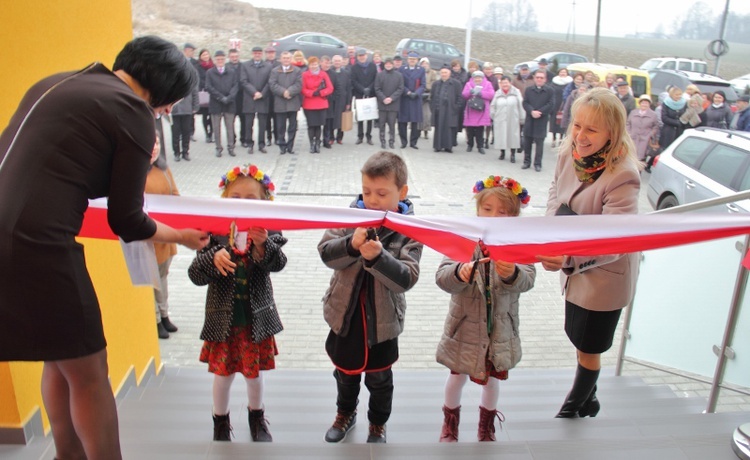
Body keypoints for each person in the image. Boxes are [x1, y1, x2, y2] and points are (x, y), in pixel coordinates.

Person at [0, 35, 207, 460]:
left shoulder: (57, 82)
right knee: (91, 372)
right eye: (172, 102)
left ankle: (67, 455)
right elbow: (127, 221)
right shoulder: (131, 109)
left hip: (11, 235)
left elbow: (63, 169)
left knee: (60, 357)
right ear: (163, 87)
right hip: (35, 245)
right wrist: (183, 236)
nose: (168, 112)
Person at [537, 88, 640, 420]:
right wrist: (555, 232)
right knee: (575, 334)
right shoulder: (569, 153)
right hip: (576, 262)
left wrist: (567, 257)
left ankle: (572, 406)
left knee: (590, 346)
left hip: (604, 274)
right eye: (577, 125)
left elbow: (613, 241)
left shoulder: (623, 175)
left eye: (591, 130)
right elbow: (556, 191)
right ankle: (590, 399)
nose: (580, 136)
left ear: (612, 132)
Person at [318, 151, 423, 444]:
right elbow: (326, 253)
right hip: (345, 315)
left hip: (383, 321)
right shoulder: (350, 216)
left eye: (381, 193)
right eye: (366, 191)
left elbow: (406, 279)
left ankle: (377, 423)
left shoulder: (410, 230)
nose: (372, 200)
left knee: (379, 379)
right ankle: (345, 413)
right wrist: (351, 245)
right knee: (345, 374)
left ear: (401, 192)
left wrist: (379, 258)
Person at [188, 164, 286, 443]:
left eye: (251, 199)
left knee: (254, 377)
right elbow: (195, 274)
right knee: (223, 376)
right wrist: (212, 258)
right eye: (236, 198)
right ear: (224, 200)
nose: (242, 204)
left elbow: (278, 263)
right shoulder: (213, 232)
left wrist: (263, 246)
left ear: (264, 203)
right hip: (225, 323)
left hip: (255, 321)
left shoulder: (268, 230)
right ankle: (220, 421)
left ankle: (257, 417)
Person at [436, 176, 536, 443]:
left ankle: (486, 426)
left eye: (503, 212)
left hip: (499, 330)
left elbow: (528, 280)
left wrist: (512, 273)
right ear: (478, 209)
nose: (493, 216)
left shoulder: (519, 245)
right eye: (487, 209)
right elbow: (443, 277)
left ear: (514, 216)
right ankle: (450, 424)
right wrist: (460, 272)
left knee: (492, 381)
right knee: (456, 378)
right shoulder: (463, 239)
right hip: (465, 328)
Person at [146, 119, 180, 339]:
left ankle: (165, 314)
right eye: (151, 144)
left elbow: (175, 195)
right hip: (149, 236)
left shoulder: (164, 170)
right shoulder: (135, 173)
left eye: (157, 142)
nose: (155, 147)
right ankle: (155, 319)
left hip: (166, 235)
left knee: (163, 277)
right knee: (152, 280)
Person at [240, 46, 273, 154]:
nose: (257, 55)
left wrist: (262, 94)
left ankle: (261, 144)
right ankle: (249, 144)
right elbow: (244, 81)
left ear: (262, 54)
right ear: (252, 54)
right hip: (250, 98)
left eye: (259, 53)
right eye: (255, 53)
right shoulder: (245, 65)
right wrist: (254, 92)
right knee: (249, 124)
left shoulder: (268, 66)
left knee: (262, 124)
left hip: (263, 99)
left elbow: (270, 82)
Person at [206, 50, 239, 157]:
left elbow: (236, 86)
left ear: (225, 60)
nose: (220, 61)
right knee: (216, 128)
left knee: (230, 127)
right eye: (218, 59)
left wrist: (229, 98)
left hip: (229, 104)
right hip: (216, 104)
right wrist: (220, 97)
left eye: (222, 59)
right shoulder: (210, 72)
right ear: (215, 60)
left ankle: (231, 147)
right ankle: (218, 148)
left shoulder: (232, 71)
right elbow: (208, 87)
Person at [269, 51, 303, 154]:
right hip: (280, 102)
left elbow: (299, 84)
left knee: (292, 126)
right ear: (281, 59)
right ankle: (282, 146)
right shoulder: (275, 71)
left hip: (292, 102)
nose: (286, 60)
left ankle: (290, 146)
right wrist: (283, 92)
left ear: (291, 59)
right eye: (284, 58)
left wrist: (289, 92)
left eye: (288, 58)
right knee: (280, 127)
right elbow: (272, 84)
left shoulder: (297, 71)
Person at [522, 70, 554, 171]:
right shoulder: (528, 90)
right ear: (534, 78)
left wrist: (540, 112)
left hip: (542, 120)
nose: (539, 79)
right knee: (527, 142)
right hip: (530, 119)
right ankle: (526, 162)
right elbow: (525, 103)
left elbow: (551, 104)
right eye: (537, 77)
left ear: (545, 79)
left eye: (541, 78)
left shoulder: (550, 90)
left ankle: (537, 163)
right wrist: (531, 111)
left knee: (539, 144)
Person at [301, 56, 334, 153]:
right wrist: (311, 93)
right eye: (312, 64)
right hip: (309, 103)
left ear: (318, 64)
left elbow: (330, 88)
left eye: (315, 64)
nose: (313, 66)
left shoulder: (323, 74)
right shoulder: (304, 75)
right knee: (311, 125)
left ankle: (317, 144)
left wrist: (321, 93)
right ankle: (312, 144)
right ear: (309, 65)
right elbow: (302, 88)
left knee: (319, 125)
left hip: (321, 103)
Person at [491, 76, 525, 162]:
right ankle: (502, 153)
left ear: (510, 83)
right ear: (500, 84)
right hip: (500, 117)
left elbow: (521, 105)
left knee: (513, 136)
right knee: (501, 136)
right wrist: (493, 116)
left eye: (506, 82)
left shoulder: (516, 92)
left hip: (513, 117)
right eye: (503, 83)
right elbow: (492, 105)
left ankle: (512, 154)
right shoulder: (498, 93)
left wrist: (522, 117)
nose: (505, 84)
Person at [431, 65, 463, 153]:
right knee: (439, 128)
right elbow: (432, 96)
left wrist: (456, 108)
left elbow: (460, 97)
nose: (443, 74)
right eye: (442, 73)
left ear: (449, 73)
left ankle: (448, 147)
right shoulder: (436, 84)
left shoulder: (456, 84)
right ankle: (438, 146)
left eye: (445, 72)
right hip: (438, 109)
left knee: (449, 129)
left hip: (450, 110)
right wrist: (433, 107)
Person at [398, 52, 426, 149]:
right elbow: (400, 83)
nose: (412, 61)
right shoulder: (402, 69)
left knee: (415, 121)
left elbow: (423, 84)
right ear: (407, 60)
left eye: (414, 59)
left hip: (416, 99)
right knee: (402, 122)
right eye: (410, 59)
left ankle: (413, 142)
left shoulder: (421, 70)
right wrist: (408, 92)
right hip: (405, 98)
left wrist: (417, 93)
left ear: (417, 60)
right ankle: (403, 141)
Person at [374, 56, 404, 149]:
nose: (388, 65)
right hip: (382, 104)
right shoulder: (379, 75)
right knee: (381, 124)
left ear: (393, 65)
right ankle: (382, 141)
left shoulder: (399, 75)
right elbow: (377, 88)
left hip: (393, 104)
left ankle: (391, 141)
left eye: (390, 64)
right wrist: (383, 98)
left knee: (392, 124)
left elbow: (400, 89)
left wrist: (391, 98)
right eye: (386, 64)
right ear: (384, 65)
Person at [462, 70, 495, 154]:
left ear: (482, 78)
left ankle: (480, 146)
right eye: (476, 78)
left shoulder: (488, 84)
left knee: (480, 129)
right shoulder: (468, 84)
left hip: (481, 110)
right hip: (471, 109)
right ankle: (470, 145)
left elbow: (491, 94)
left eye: (479, 77)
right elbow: (464, 95)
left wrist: (481, 93)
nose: (477, 79)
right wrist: (470, 92)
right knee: (470, 130)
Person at [350, 49, 378, 145]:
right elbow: (353, 81)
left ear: (366, 56)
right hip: (359, 93)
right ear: (358, 57)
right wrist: (362, 89)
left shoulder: (372, 66)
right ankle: (360, 136)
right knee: (360, 116)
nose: (362, 57)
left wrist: (369, 88)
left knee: (370, 116)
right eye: (360, 56)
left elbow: (375, 79)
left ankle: (369, 136)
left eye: (363, 55)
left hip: (371, 93)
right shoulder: (354, 67)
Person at [170, 72, 200, 162]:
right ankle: (176, 153)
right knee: (175, 133)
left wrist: (195, 107)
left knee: (186, 133)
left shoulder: (190, 81)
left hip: (187, 111)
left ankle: (185, 152)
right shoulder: (170, 82)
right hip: (174, 111)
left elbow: (195, 94)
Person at [324, 55, 352, 147]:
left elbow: (349, 89)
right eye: (335, 61)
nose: (337, 62)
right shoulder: (329, 72)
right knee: (331, 119)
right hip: (331, 99)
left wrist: (348, 102)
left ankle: (339, 137)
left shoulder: (346, 73)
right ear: (332, 62)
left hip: (342, 99)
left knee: (341, 119)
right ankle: (331, 137)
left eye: (339, 61)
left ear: (342, 62)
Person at [626, 94, 660, 163]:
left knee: (640, 160)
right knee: (629, 158)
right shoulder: (633, 112)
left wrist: (650, 134)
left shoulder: (653, 115)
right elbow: (628, 123)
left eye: (646, 103)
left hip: (645, 141)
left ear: (649, 104)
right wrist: (628, 133)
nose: (644, 104)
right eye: (643, 102)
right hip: (632, 138)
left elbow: (656, 126)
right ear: (640, 103)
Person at [659, 86, 687, 151]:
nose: (678, 96)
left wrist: (683, 123)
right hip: (668, 131)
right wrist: (676, 122)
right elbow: (664, 118)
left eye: (680, 94)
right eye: (676, 94)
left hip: (679, 131)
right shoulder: (666, 103)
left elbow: (686, 115)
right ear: (672, 95)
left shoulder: (684, 103)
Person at [228, 48, 246, 147]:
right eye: (232, 57)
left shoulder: (243, 66)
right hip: (230, 98)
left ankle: (243, 139)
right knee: (230, 121)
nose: (234, 58)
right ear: (229, 57)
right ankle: (232, 140)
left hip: (242, 97)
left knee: (243, 120)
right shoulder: (226, 67)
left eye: (236, 56)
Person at [550, 68, 572, 146]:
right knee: (554, 122)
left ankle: (561, 138)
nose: (563, 73)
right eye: (561, 72)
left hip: (564, 104)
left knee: (562, 122)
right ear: (558, 73)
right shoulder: (554, 82)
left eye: (564, 72)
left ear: (567, 73)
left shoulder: (569, 83)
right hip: (555, 104)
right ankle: (553, 138)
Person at [197, 48, 215, 143]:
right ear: (200, 56)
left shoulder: (213, 65)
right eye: (203, 55)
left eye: (207, 54)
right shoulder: (198, 66)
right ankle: (207, 134)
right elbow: (198, 79)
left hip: (212, 93)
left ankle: (211, 133)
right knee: (205, 115)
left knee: (212, 115)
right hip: (203, 93)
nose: (206, 56)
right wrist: (207, 84)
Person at [419, 57, 438, 139]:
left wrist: (427, 87)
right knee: (418, 114)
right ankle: (418, 131)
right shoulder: (417, 72)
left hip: (428, 95)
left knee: (427, 115)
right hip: (419, 94)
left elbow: (434, 83)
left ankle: (426, 131)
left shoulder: (433, 73)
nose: (424, 65)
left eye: (426, 64)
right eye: (423, 64)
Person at [264, 47, 279, 146]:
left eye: (272, 53)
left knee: (277, 118)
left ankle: (277, 137)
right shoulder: (263, 64)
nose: (270, 54)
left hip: (277, 95)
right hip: (266, 95)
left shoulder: (279, 64)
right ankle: (268, 137)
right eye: (269, 53)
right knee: (267, 118)